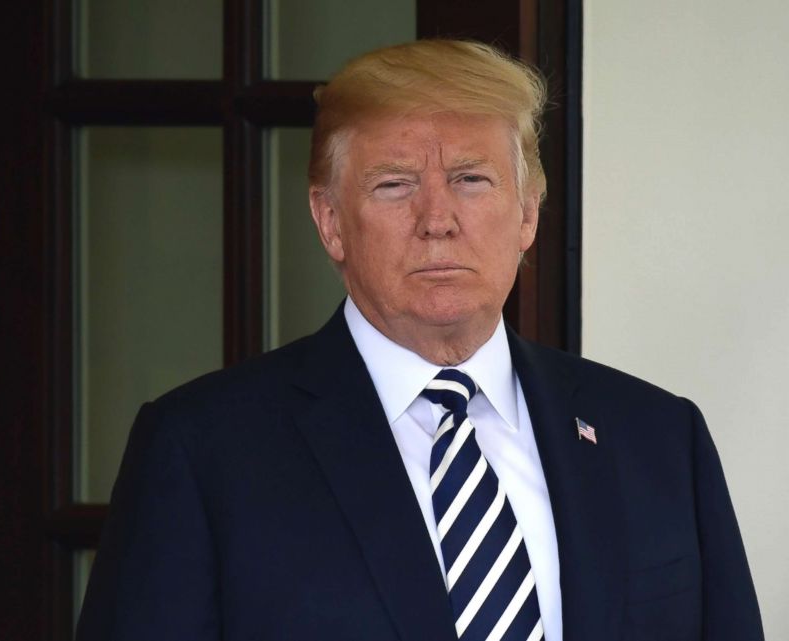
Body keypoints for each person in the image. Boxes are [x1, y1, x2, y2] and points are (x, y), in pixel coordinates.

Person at [76, 40, 764, 641]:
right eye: (395, 185)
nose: (437, 220)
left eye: (470, 179)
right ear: (329, 221)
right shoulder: (201, 454)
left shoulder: (660, 439)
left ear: (528, 212)